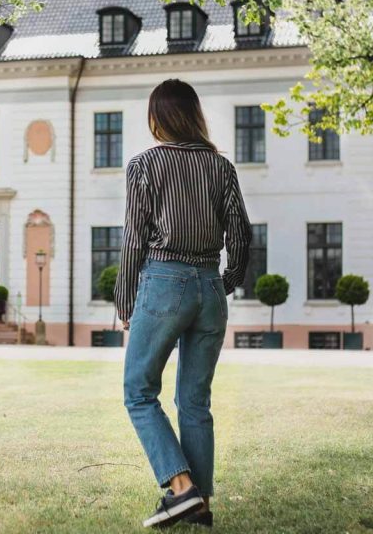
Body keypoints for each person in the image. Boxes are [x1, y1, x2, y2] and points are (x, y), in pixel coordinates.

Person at [115, 78, 252, 529]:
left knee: (138, 390)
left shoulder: (144, 166)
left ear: (158, 118)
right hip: (210, 286)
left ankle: (181, 489)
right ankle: (201, 507)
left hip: (164, 282)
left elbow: (135, 238)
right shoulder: (221, 167)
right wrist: (226, 281)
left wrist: (124, 302)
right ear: (193, 115)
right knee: (194, 400)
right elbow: (242, 233)